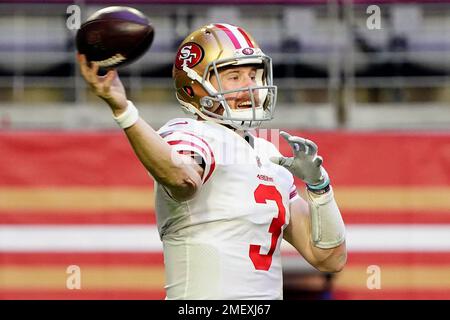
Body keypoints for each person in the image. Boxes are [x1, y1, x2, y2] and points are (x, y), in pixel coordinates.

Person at [77, 23, 347, 300]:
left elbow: (329, 259)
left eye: (254, 75)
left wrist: (319, 188)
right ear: (195, 87)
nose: (250, 86)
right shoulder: (189, 132)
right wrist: (123, 110)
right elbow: (182, 179)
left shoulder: (269, 155)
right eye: (234, 76)